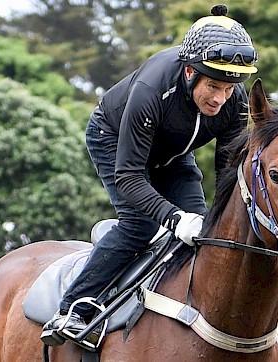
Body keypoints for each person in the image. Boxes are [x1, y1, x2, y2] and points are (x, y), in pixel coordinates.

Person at [42, 3, 258, 344]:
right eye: (213, 87)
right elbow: (129, 178)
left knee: (202, 229)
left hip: (173, 153)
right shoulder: (151, 89)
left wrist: (219, 218)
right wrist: (172, 218)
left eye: (229, 89)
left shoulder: (234, 100)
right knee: (140, 223)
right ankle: (74, 308)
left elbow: (228, 172)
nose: (221, 99)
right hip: (114, 141)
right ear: (190, 73)